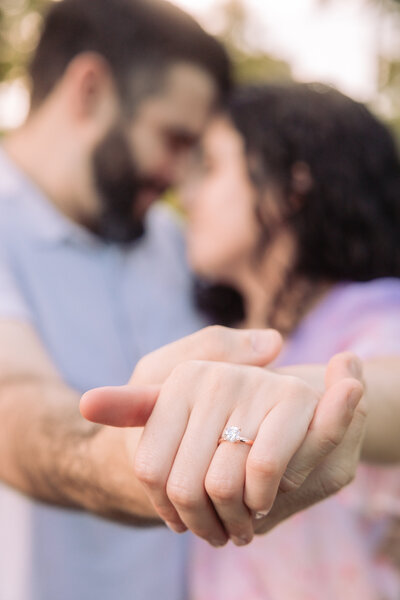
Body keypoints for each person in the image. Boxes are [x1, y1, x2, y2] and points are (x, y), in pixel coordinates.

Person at [0, 2, 366, 599]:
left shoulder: (173, 243)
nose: (177, 177)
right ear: (88, 88)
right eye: (173, 139)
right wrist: (138, 466)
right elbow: (12, 407)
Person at [177, 84, 400, 599]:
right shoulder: (220, 328)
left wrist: (286, 398)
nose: (187, 197)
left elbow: (383, 391)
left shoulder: (376, 316)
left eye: (210, 168)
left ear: (290, 191)